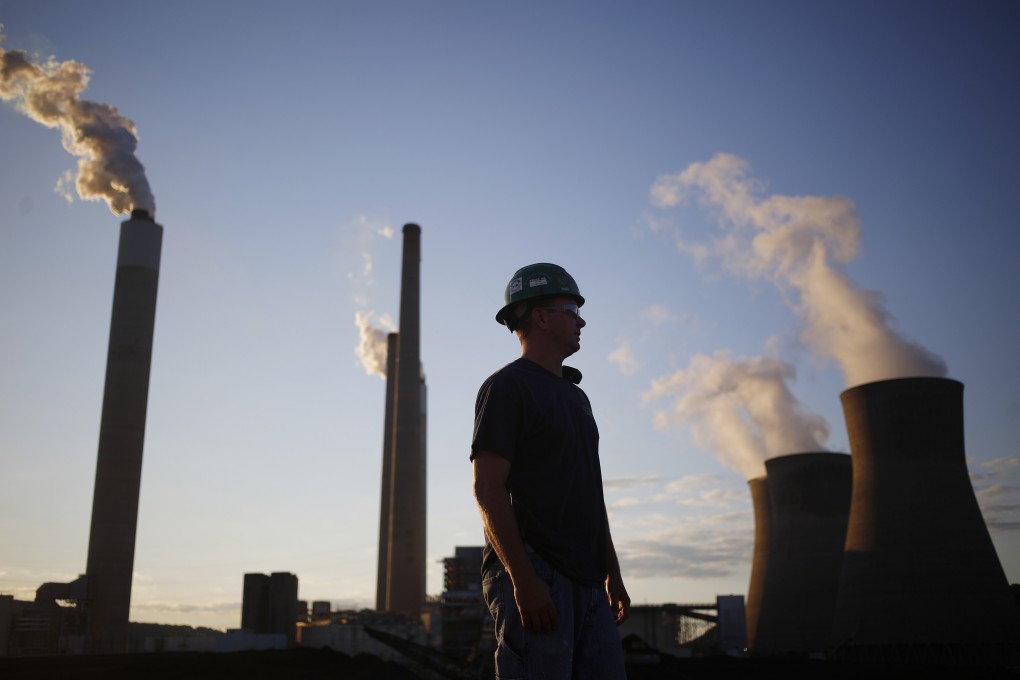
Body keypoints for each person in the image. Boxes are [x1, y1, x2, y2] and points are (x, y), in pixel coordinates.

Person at [471, 263, 630, 679]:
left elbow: (589, 492)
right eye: (570, 310)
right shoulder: (507, 387)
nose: (581, 320)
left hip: (589, 578)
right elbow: (488, 488)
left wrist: (611, 573)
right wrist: (523, 581)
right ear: (540, 317)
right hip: (539, 569)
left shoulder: (578, 398)